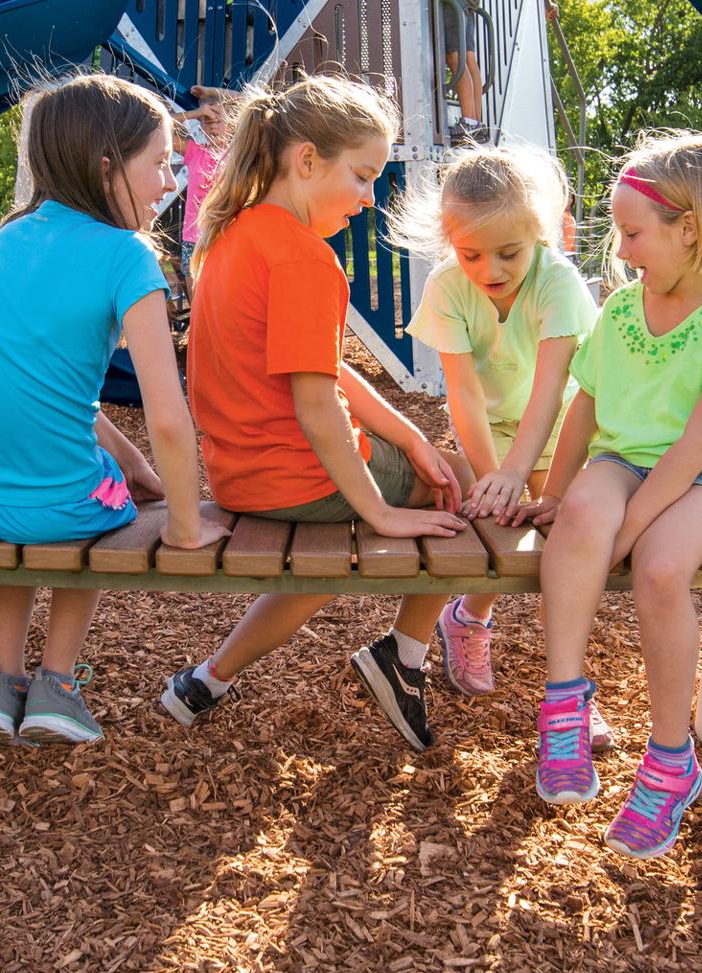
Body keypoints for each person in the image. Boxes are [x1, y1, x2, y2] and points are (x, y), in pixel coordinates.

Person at [161, 74, 471, 752]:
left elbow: (322, 374)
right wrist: (380, 509)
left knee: (332, 547)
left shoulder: (231, 236)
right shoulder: (303, 258)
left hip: (242, 478)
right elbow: (316, 405)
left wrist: (411, 435)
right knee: (463, 485)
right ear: (306, 160)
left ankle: (208, 679)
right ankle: (407, 659)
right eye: (362, 178)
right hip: (298, 477)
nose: (367, 199)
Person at [0, 73, 225, 745]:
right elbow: (171, 416)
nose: (167, 184)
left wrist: (131, 461)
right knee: (88, 507)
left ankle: (0, 681)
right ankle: (57, 683)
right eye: (157, 164)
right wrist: (184, 522)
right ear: (106, 165)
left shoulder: (8, 240)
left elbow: (41, 386)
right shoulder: (127, 257)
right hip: (58, 503)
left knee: (36, 501)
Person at [513, 130, 702, 857]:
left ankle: (670, 761)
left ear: (689, 229)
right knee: (578, 520)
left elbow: (698, 446)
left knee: (662, 567)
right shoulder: (625, 311)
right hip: (628, 458)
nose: (622, 251)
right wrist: (559, 491)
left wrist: (625, 534)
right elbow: (588, 405)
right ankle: (564, 706)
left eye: (634, 233)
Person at [388, 146, 602, 724]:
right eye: (471, 254)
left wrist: (520, 475)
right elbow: (463, 394)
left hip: (557, 422)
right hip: (490, 426)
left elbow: (554, 389)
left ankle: (571, 685)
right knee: (499, 527)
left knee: (568, 542)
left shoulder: (558, 283)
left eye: (509, 253)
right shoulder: (448, 286)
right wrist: (490, 476)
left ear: (539, 232)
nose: (490, 271)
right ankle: (471, 618)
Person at [174, 85, 235, 283]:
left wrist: (213, 92)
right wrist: (195, 112)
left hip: (227, 237)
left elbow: (264, 105)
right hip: (194, 239)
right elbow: (155, 126)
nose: (213, 125)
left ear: (233, 123)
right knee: (197, 310)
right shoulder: (194, 151)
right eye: (207, 120)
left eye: (220, 119)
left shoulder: (240, 154)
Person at [439, 1, 486, 144]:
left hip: (455, 4)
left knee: (455, 57)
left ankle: (469, 121)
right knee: (468, 58)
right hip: (468, 5)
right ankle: (475, 122)